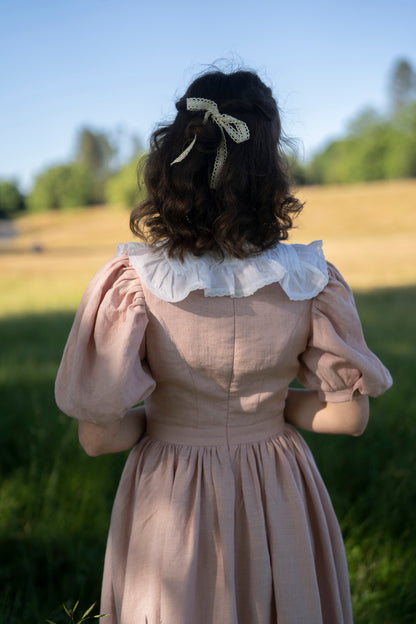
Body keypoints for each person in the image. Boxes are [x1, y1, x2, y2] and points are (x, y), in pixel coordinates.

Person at [55, 69, 392, 624]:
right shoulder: (309, 276)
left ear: (174, 160)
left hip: (172, 493)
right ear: (269, 167)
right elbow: (349, 418)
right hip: (279, 486)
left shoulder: (135, 282)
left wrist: (171, 416)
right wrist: (265, 407)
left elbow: (97, 437)